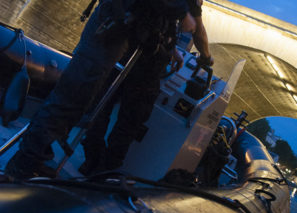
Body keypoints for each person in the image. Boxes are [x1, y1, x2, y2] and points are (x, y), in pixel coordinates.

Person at [4, 0, 197, 179]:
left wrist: (169, 44)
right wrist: (182, 12)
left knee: (78, 100)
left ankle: (36, 158)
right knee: (71, 97)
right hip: (110, 29)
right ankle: (22, 166)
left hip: (118, 29)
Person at [79, 0, 214, 175]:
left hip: (121, 43)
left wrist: (172, 49)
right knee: (133, 115)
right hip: (146, 56)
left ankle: (91, 159)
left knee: (102, 103)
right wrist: (206, 57)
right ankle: (107, 168)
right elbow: (196, 28)